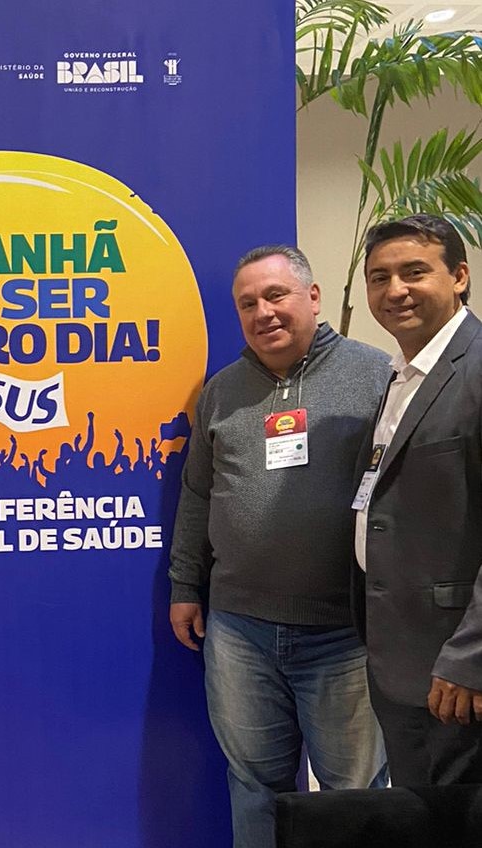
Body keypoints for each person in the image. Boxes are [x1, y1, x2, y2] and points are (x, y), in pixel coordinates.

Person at [169, 245, 390, 847]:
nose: (263, 312)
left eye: (276, 296)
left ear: (312, 298)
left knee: (356, 792)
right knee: (254, 784)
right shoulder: (220, 391)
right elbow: (197, 495)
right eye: (248, 304)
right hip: (240, 632)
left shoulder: (377, 377)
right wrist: (186, 586)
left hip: (345, 633)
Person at [353, 213, 482, 785]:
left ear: (458, 276)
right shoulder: (401, 378)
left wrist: (471, 656)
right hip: (402, 664)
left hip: (457, 670)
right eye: (379, 278)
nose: (395, 290)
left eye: (413, 272)